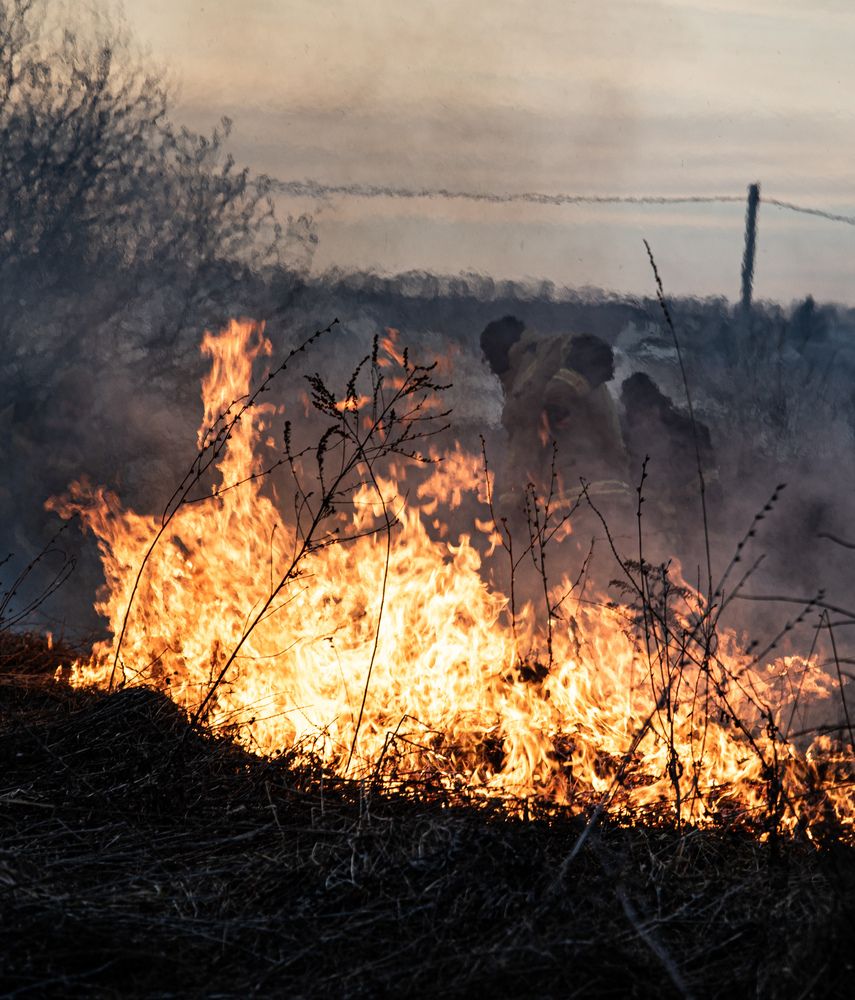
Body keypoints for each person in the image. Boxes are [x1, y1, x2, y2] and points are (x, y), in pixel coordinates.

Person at [620, 371, 718, 527]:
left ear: (657, 406)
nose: (644, 420)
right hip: (651, 514)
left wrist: (678, 498)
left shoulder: (692, 432)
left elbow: (708, 478)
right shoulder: (626, 437)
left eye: (647, 410)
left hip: (693, 510)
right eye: (637, 414)